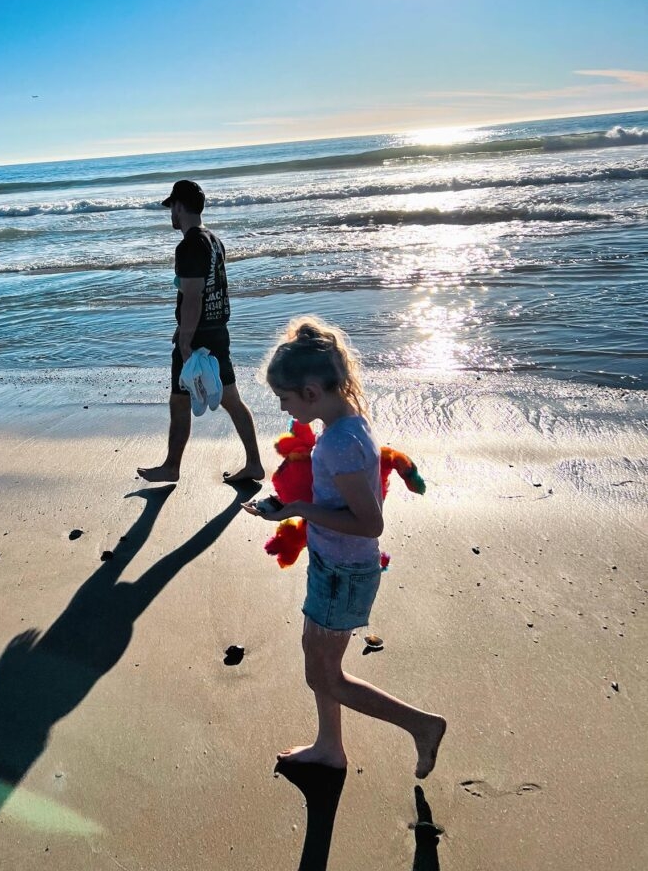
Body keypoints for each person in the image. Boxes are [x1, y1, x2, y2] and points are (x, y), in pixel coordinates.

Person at [242, 317, 446, 777]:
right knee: (317, 657)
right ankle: (330, 747)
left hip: (344, 572)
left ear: (312, 392)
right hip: (332, 564)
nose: (284, 409)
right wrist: (294, 506)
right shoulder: (349, 423)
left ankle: (422, 726)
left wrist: (299, 508)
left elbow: (369, 523)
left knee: (323, 674)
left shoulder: (339, 443)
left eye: (285, 399)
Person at [137, 180, 264, 484]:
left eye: (172, 208)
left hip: (199, 338)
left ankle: (171, 467)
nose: (171, 214)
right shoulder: (214, 241)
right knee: (231, 399)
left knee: (180, 399)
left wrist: (184, 339)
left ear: (179, 206)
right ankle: (254, 463)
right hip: (218, 330)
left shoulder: (190, 244)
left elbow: (193, 296)